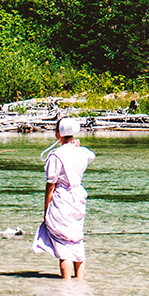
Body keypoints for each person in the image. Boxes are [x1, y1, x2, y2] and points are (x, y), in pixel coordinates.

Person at [32, 117, 96, 279]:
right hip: (78, 198)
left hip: (62, 199)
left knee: (63, 245)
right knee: (76, 239)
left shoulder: (56, 156)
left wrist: (46, 210)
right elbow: (91, 156)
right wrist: (76, 146)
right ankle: (80, 282)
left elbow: (50, 185)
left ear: (59, 133)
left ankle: (66, 285)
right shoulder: (83, 152)